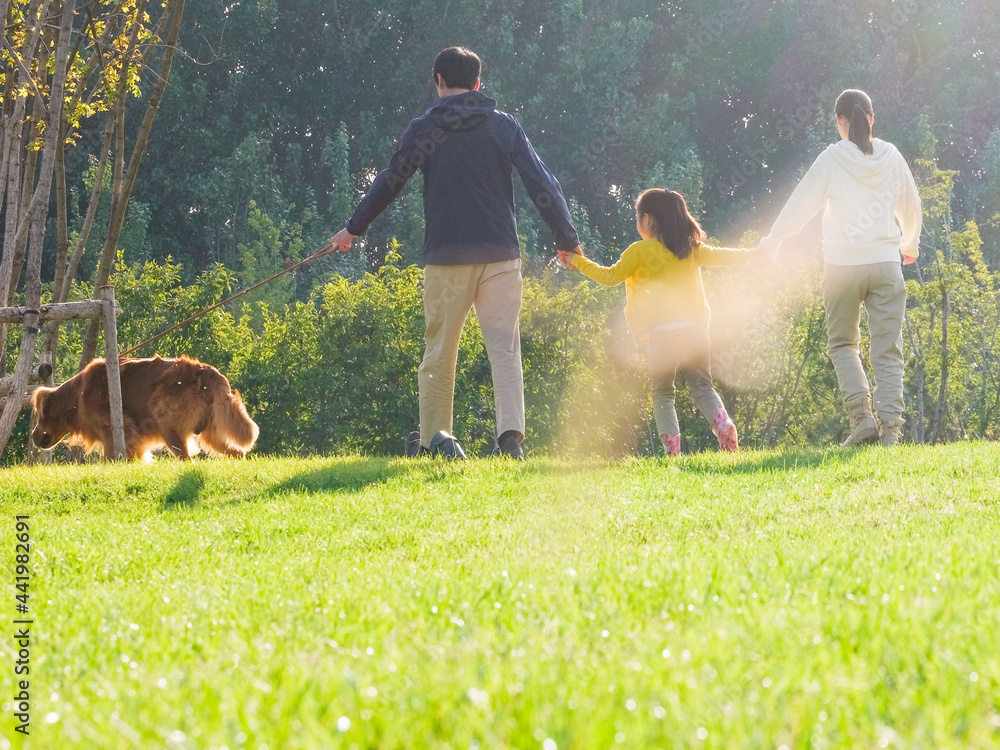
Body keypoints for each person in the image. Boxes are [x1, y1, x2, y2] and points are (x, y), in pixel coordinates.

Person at [330, 46, 581, 459]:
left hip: (446, 259)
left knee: (439, 352)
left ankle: (435, 440)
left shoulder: (425, 129)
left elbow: (391, 180)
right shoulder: (504, 127)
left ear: (439, 82)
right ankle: (511, 438)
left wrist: (354, 228)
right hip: (501, 255)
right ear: (478, 83)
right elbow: (541, 181)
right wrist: (566, 238)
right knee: (504, 349)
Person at [757, 89, 922, 447]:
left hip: (842, 266)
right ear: (872, 118)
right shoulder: (892, 156)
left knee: (843, 344)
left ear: (839, 121)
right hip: (885, 265)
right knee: (887, 349)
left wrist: (774, 240)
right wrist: (909, 244)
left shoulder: (832, 158)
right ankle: (892, 431)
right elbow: (911, 204)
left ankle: (862, 418)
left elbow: (800, 204)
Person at [560, 188, 752, 456]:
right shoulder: (691, 249)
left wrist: (577, 261)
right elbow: (724, 257)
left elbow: (609, 277)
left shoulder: (639, 252)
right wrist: (757, 252)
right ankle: (724, 426)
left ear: (647, 220)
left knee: (663, 393)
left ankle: (672, 452)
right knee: (703, 387)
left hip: (663, 335)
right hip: (696, 331)